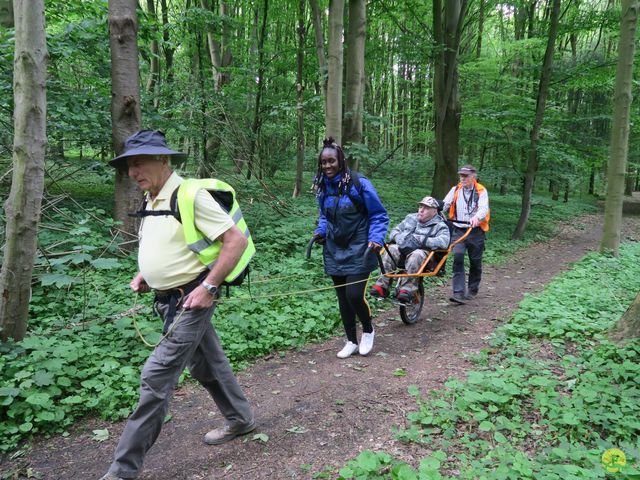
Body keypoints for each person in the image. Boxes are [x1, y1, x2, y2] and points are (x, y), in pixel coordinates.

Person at [100, 130, 255, 480]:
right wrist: (146, 274)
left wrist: (209, 287)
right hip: (166, 300)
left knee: (154, 378)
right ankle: (241, 420)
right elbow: (170, 242)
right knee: (207, 365)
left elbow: (235, 241)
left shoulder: (190, 194)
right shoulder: (152, 198)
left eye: (139, 163)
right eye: (128, 166)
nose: (132, 172)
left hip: (191, 300)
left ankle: (121, 472)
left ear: (163, 160)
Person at [312, 137, 389, 359]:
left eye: (331, 161)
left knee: (354, 295)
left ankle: (367, 330)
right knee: (342, 298)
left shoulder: (359, 183)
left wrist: (376, 238)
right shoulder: (322, 187)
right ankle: (350, 340)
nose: (327, 166)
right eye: (323, 162)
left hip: (361, 246)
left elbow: (378, 214)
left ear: (340, 161)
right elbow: (325, 216)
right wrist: (321, 231)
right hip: (335, 248)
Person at [369, 196, 450, 303]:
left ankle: (406, 289)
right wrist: (399, 238)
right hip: (403, 250)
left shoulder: (440, 226)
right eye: (421, 206)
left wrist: (423, 240)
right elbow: (394, 231)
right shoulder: (410, 218)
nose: (421, 210)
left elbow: (444, 242)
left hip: (424, 256)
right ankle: (382, 286)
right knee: (392, 248)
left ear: (434, 211)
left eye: (426, 208)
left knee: (417, 254)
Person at [442, 164, 490, 305]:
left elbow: (483, 208)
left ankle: (473, 288)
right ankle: (458, 293)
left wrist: (477, 217)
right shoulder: (455, 189)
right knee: (457, 258)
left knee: (475, 261)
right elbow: (445, 204)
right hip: (458, 230)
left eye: (465, 176)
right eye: (461, 175)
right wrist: (434, 209)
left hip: (476, 231)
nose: (462, 178)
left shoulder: (481, 191)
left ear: (473, 177)